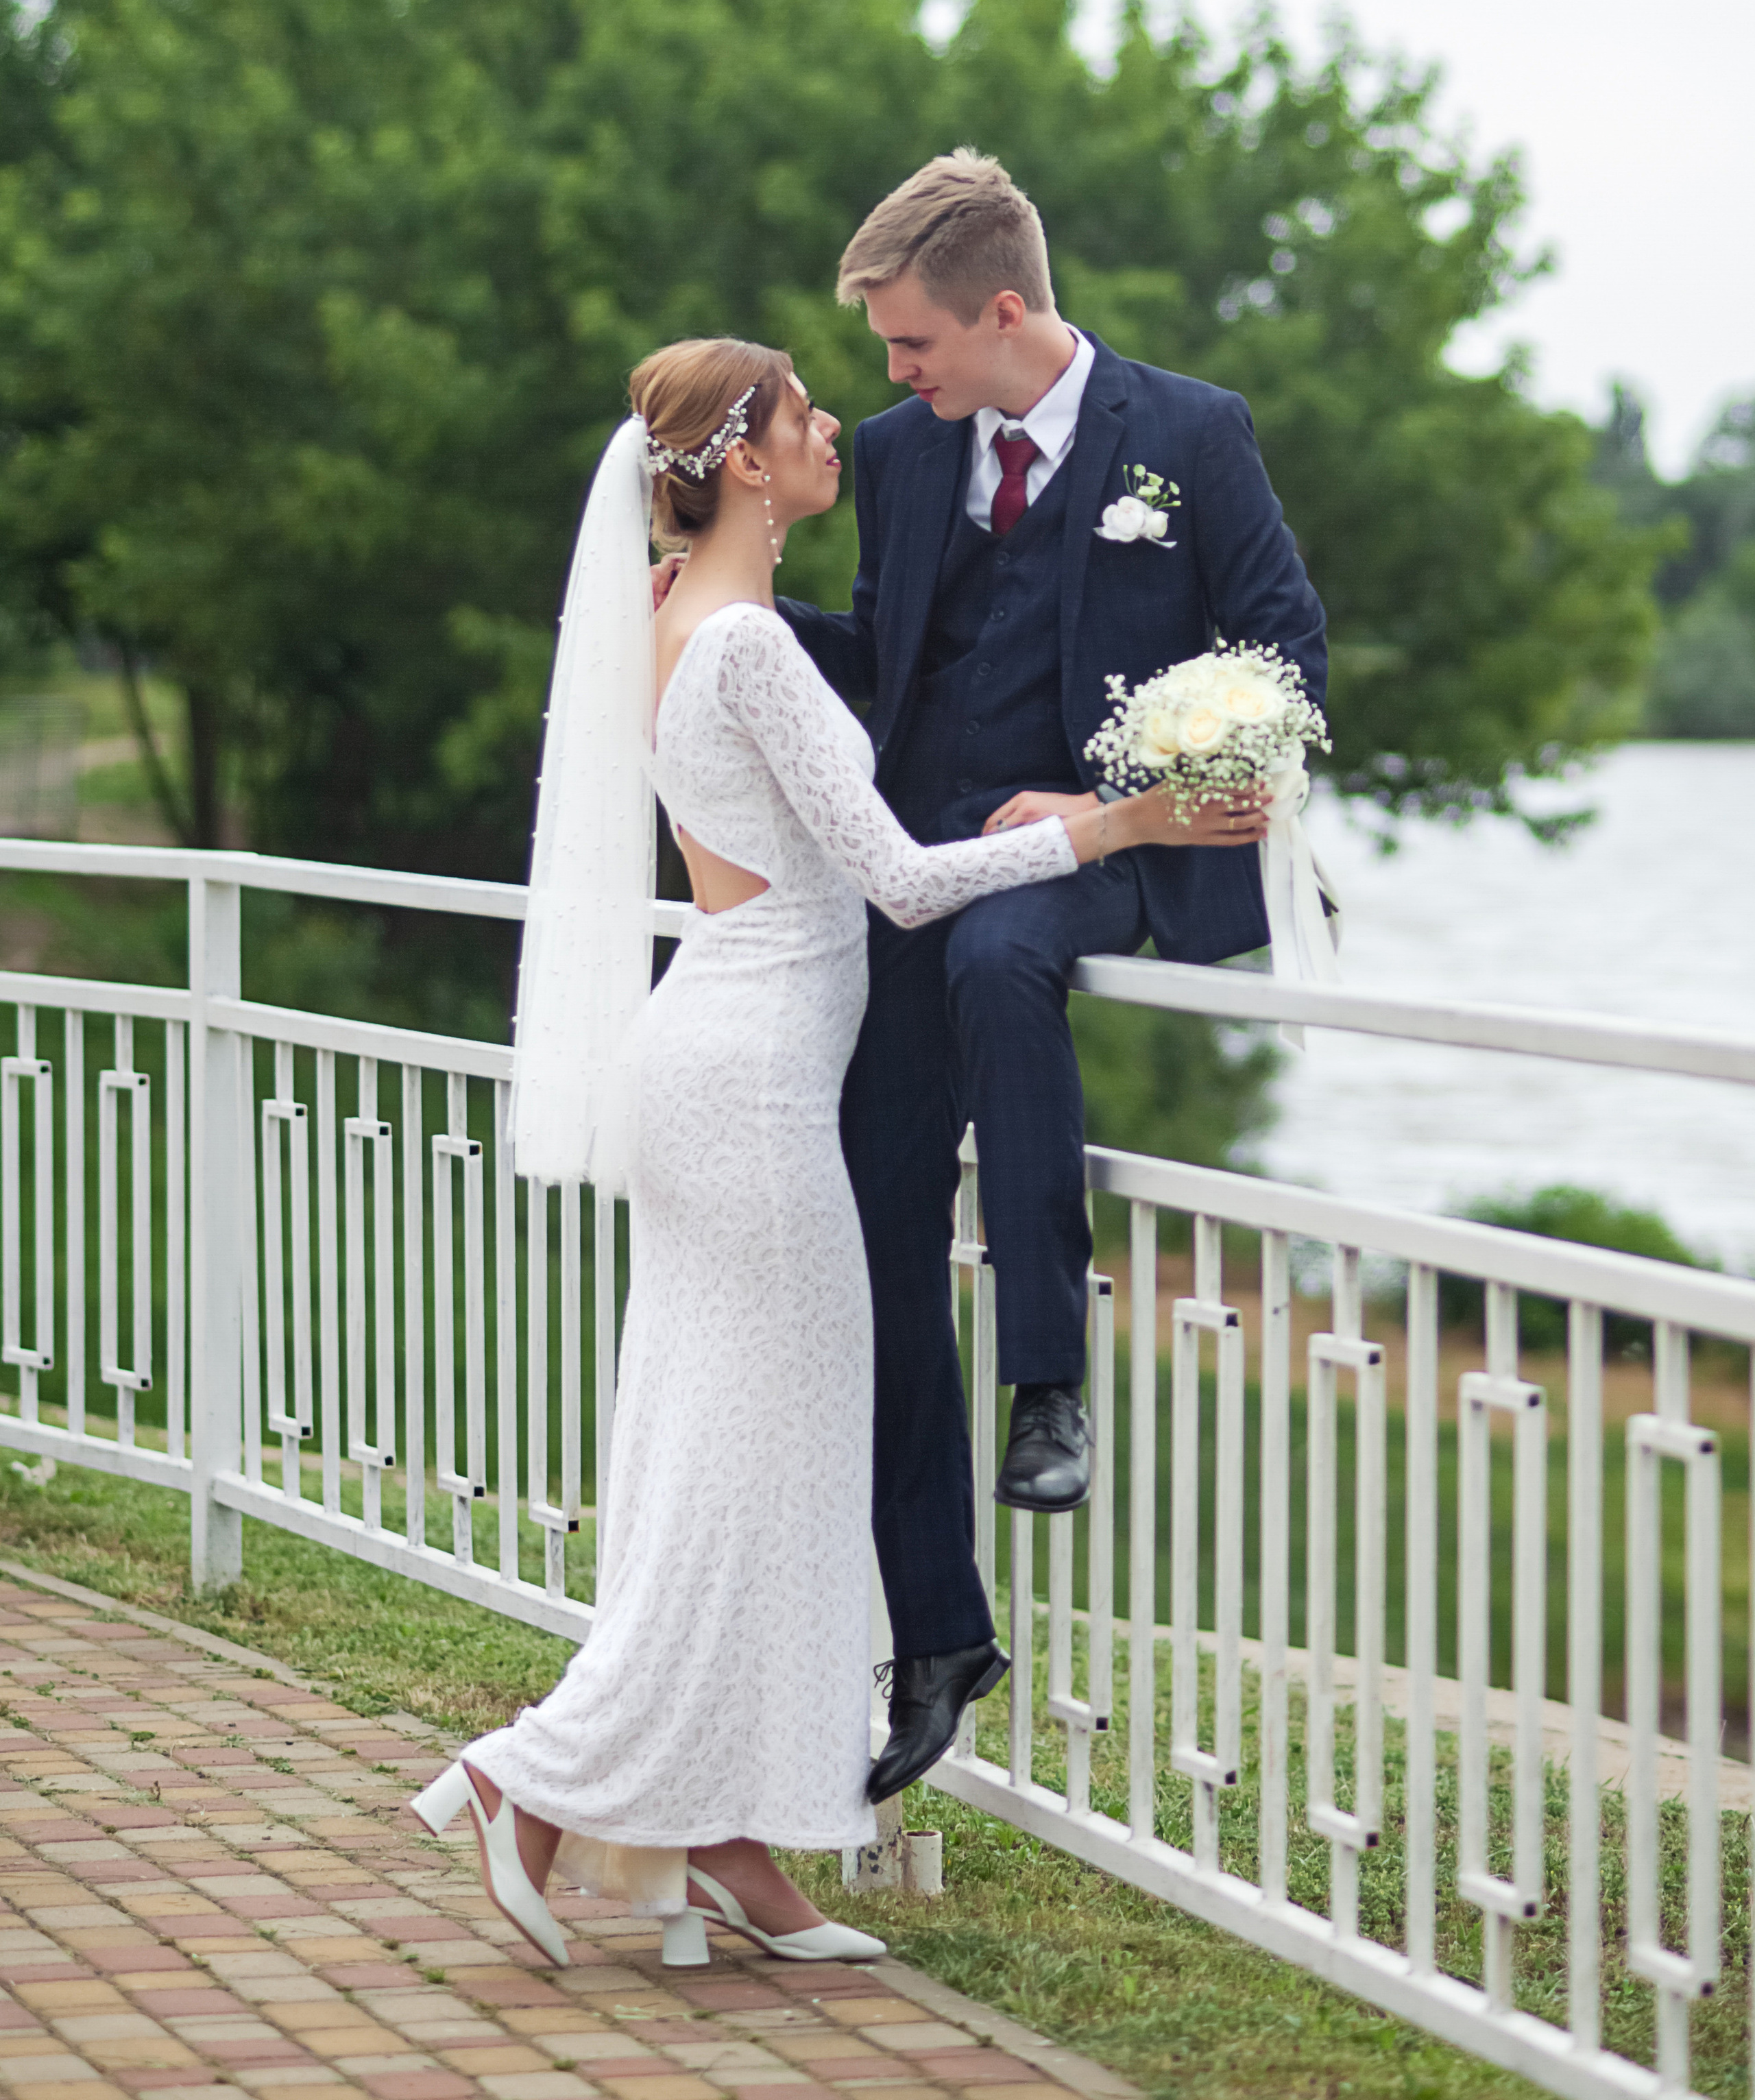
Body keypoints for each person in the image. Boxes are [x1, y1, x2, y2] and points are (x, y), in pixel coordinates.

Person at [407, 337, 1263, 1971]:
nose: (833, 436)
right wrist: (1118, 823)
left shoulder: (672, 623)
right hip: (747, 1085)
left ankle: (728, 1836)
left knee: (751, 1460)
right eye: (803, 416)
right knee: (752, 1473)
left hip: (717, 1060)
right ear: (741, 464)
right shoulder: (742, 653)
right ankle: (537, 1776)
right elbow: (899, 880)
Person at [773, 152, 1327, 1803]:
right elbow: (896, 657)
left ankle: (1046, 1389)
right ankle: (937, 1633)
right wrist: (734, 622)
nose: (892, 378)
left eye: (909, 345)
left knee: (1012, 966)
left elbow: (1283, 653)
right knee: (867, 1226)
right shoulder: (895, 454)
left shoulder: (1192, 435)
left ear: (1002, 313)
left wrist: (1111, 806)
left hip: (1085, 851)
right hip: (916, 857)